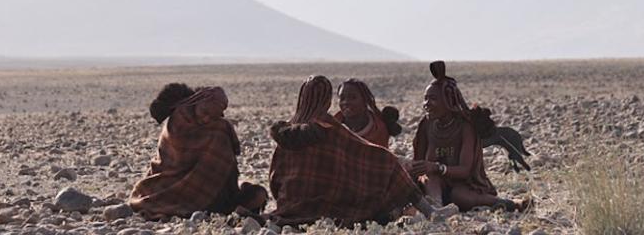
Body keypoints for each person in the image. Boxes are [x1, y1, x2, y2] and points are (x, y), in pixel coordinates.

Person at [268, 75, 435, 227]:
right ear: (327, 100)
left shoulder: (284, 133)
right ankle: (430, 212)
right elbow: (367, 151)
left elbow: (274, 178)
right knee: (388, 164)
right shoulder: (330, 128)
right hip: (328, 206)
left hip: (288, 206)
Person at [129, 83, 267, 220]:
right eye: (205, 112)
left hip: (212, 190)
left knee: (258, 194)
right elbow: (174, 157)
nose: (206, 119)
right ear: (197, 102)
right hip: (172, 186)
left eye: (213, 116)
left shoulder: (218, 127)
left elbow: (226, 167)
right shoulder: (180, 120)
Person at [407, 61, 529, 212]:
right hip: (434, 185)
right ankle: (436, 209)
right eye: (425, 98)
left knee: (460, 196)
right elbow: (418, 165)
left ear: (448, 101)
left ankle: (509, 203)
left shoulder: (465, 128)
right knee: (429, 178)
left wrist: (437, 167)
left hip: (464, 185)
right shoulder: (426, 125)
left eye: (433, 99)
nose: (426, 104)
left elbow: (465, 170)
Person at [333, 78, 402, 148]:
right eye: (342, 98)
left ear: (365, 100)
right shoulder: (332, 127)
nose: (346, 102)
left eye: (353, 97)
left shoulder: (378, 130)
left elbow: (380, 156)